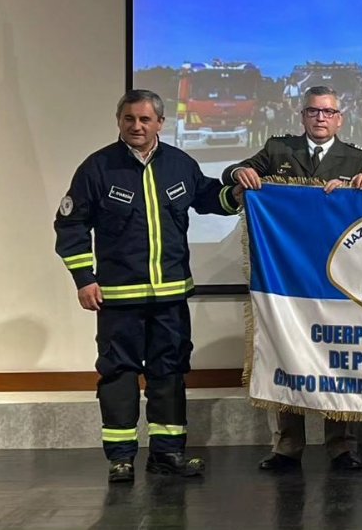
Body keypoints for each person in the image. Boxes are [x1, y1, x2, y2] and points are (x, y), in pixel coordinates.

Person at [54, 89, 242, 484]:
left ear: (160, 123)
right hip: (118, 299)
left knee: (169, 373)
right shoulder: (97, 168)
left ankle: (167, 454)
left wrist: (239, 193)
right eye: (129, 119)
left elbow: (211, 198)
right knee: (118, 375)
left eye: (144, 119)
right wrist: (84, 279)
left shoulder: (180, 163)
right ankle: (121, 458)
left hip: (171, 297)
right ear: (119, 121)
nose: (136, 126)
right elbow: (70, 226)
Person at [224, 85, 362, 473]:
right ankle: (287, 446)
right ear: (302, 116)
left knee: (340, 358)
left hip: (337, 278)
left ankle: (342, 446)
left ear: (339, 118)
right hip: (287, 276)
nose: (320, 118)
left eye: (328, 112)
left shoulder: (357, 158)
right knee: (285, 353)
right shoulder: (278, 150)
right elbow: (233, 172)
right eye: (313, 112)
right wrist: (239, 171)